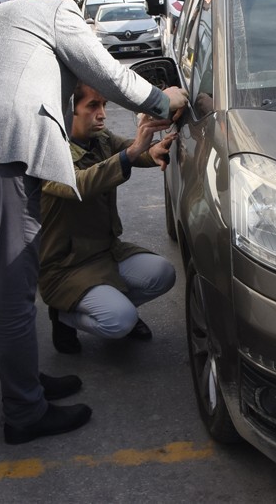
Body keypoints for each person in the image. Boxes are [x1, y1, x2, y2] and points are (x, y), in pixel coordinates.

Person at [0, 0, 188, 445]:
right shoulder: (55, 12)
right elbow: (109, 73)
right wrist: (162, 100)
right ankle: (24, 412)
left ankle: (22, 383)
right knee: (12, 302)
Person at [38, 84, 177, 354]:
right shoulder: (47, 152)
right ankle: (63, 315)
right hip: (66, 267)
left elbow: (130, 149)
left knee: (163, 274)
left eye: (103, 105)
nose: (102, 114)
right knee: (119, 321)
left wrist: (153, 151)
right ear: (68, 110)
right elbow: (79, 184)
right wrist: (134, 152)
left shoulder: (99, 138)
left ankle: (118, 306)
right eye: (92, 106)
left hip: (106, 252)